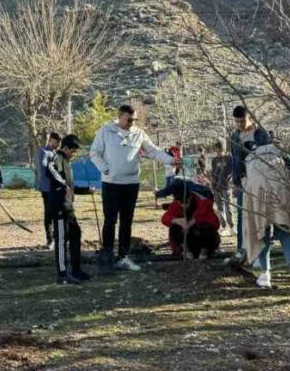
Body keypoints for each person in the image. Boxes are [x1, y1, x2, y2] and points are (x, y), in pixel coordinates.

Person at [90, 104, 181, 273]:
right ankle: (107, 255)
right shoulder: (106, 131)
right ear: (120, 116)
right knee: (110, 220)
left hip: (131, 183)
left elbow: (153, 151)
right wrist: (105, 168)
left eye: (134, 119)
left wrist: (170, 160)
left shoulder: (139, 133)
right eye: (129, 119)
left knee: (127, 221)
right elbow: (94, 152)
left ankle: (123, 257)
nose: (132, 122)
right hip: (111, 183)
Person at [242, 141, 290, 289]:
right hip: (280, 188)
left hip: (258, 191)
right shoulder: (277, 151)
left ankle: (265, 275)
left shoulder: (249, 157)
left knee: (261, 233)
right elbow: (289, 169)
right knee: (284, 231)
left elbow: (242, 177)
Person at [46, 134, 91, 284]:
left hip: (69, 206)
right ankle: (62, 274)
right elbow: (49, 169)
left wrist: (86, 190)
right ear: (65, 148)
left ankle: (76, 270)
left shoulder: (67, 162)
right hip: (59, 206)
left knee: (76, 234)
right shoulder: (57, 158)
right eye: (72, 151)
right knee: (61, 239)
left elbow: (70, 186)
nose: (73, 154)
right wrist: (62, 182)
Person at [228, 105, 271, 259]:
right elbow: (234, 160)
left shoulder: (262, 135)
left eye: (242, 121)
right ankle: (241, 249)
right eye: (237, 122)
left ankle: (261, 251)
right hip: (242, 182)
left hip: (260, 181)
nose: (240, 124)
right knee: (241, 216)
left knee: (260, 215)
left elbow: (269, 158)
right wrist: (234, 182)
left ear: (250, 118)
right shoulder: (233, 137)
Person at [160, 179, 221, 260]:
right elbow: (164, 218)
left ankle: (204, 252)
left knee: (206, 227)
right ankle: (186, 251)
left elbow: (215, 223)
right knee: (174, 226)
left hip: (203, 239)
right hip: (188, 240)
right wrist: (177, 220)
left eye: (186, 203)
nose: (183, 206)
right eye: (181, 203)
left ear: (191, 197)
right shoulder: (176, 204)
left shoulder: (204, 202)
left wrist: (194, 221)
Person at [35, 132, 61, 249]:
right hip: (47, 187)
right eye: (56, 142)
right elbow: (43, 168)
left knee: (57, 213)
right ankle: (49, 239)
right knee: (49, 213)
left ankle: (57, 237)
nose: (57, 145)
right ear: (50, 140)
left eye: (59, 143)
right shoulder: (43, 152)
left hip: (56, 187)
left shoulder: (55, 153)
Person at [209, 138, 232, 227]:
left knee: (228, 206)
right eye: (216, 148)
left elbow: (230, 173)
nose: (217, 150)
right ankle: (224, 224)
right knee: (219, 206)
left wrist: (229, 182)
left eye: (219, 148)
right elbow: (213, 172)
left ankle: (231, 225)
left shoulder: (228, 159)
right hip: (215, 186)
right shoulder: (214, 160)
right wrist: (212, 181)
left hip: (226, 186)